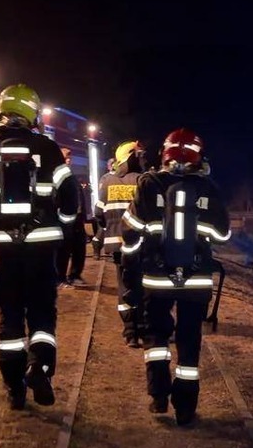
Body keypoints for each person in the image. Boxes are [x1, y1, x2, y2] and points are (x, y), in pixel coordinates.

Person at [0, 84, 79, 410]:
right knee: (42, 312)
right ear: (32, 113)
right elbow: (70, 196)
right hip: (41, 248)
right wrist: (62, 224)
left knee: (10, 318)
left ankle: (14, 389)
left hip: (5, 252)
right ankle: (40, 368)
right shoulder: (48, 148)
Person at [123, 128, 230, 426]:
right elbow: (223, 234)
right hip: (196, 280)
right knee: (189, 339)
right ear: (199, 156)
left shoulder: (149, 183)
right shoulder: (208, 187)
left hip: (156, 278)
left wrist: (130, 267)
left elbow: (131, 229)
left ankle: (158, 395)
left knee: (156, 336)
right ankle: (185, 407)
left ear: (164, 153)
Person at [95, 141, 146, 348]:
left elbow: (98, 213)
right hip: (140, 244)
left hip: (116, 244)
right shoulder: (142, 180)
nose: (142, 159)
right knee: (142, 285)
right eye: (140, 155)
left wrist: (108, 229)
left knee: (124, 285)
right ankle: (142, 326)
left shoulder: (107, 181)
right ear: (132, 157)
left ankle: (129, 332)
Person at [55, 147, 90, 288]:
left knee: (79, 247)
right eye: (66, 158)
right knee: (63, 249)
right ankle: (60, 277)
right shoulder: (57, 176)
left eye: (70, 157)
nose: (69, 160)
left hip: (77, 218)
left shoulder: (72, 177)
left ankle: (75, 275)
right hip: (64, 219)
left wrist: (83, 215)